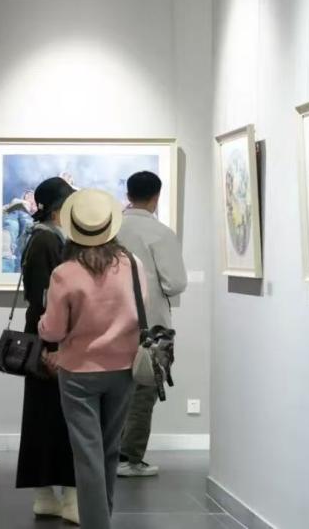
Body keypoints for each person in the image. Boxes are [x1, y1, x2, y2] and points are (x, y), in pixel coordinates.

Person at [39, 189, 148, 529]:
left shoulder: (65, 273)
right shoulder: (132, 265)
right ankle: (103, 519)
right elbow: (139, 312)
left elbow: (53, 330)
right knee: (110, 450)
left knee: (87, 455)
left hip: (78, 373)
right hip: (123, 368)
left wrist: (42, 323)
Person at [116, 171, 188, 478]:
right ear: (156, 197)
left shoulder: (110, 228)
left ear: (128, 195)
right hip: (151, 323)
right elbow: (175, 283)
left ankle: (106, 453)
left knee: (113, 389)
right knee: (144, 389)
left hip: (109, 321)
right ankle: (129, 457)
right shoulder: (161, 233)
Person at [16, 177, 78, 523]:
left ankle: (49, 496)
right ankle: (64, 498)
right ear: (58, 208)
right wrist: (49, 347)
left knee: (46, 416)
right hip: (49, 339)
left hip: (46, 335)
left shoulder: (41, 237)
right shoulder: (46, 240)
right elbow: (44, 298)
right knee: (57, 417)